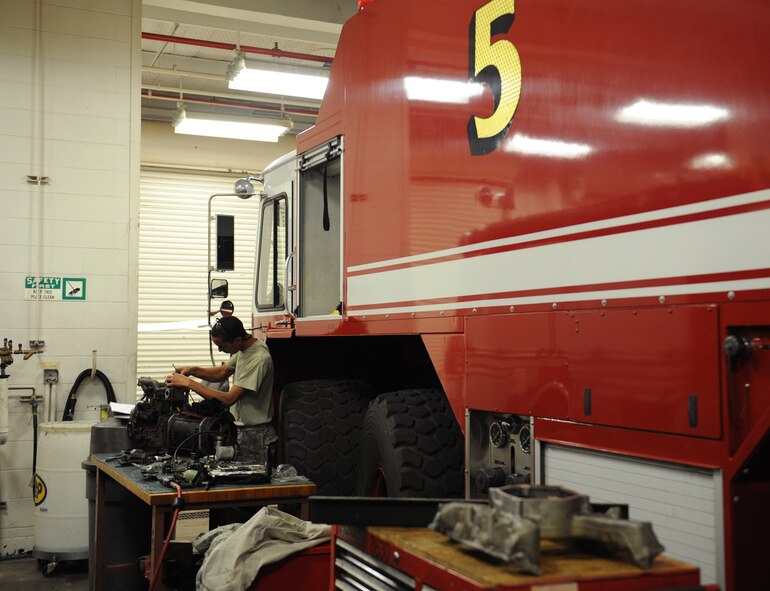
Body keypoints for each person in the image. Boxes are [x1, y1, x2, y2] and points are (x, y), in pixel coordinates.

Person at [166, 315, 277, 465]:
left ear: (237, 340)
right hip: (239, 431)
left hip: (256, 436)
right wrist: (193, 370)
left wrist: (188, 383)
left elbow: (228, 399)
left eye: (222, 346)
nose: (219, 350)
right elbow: (223, 372)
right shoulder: (245, 349)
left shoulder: (259, 359)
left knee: (253, 483)